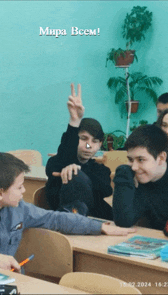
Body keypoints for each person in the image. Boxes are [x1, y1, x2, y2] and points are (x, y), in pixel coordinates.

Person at [0, 152, 136, 271]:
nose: (23, 191)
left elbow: (55, 219)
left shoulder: (19, 209)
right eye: (20, 187)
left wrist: (99, 227)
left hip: (9, 280)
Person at [45, 83, 113, 220]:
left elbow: (105, 189)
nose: (89, 146)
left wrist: (77, 169)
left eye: (94, 142)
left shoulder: (101, 170)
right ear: (75, 138)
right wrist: (74, 121)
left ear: (100, 145)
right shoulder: (56, 163)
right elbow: (63, 160)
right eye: (83, 139)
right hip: (66, 222)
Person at [113, 124, 168, 230]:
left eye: (141, 160)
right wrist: (123, 172)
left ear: (161, 158)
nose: (134, 167)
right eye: (130, 159)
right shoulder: (139, 179)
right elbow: (123, 221)